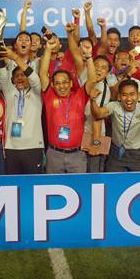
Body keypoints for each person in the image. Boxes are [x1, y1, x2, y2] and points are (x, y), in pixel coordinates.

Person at [40, 23, 97, 173]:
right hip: (54, 154)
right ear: (52, 85)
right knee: (53, 191)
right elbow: (43, 73)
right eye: (57, 83)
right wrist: (48, 49)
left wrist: (89, 57)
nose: (62, 86)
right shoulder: (49, 95)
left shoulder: (79, 95)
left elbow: (92, 80)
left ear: (71, 83)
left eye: (65, 82)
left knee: (79, 191)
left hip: (77, 155)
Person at [0, 46, 45, 175]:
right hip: (12, 148)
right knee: (14, 185)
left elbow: (34, 78)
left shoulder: (37, 92)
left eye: (23, 75)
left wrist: (16, 58)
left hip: (33, 147)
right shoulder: (10, 92)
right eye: (16, 76)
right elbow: (3, 76)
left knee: (33, 185)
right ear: (13, 80)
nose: (20, 78)